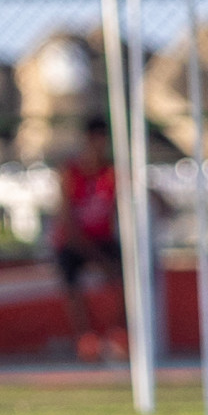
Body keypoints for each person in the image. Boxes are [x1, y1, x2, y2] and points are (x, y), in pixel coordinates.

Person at [53, 117, 126, 363]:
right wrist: (95, 257)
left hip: (103, 240)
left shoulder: (113, 172)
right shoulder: (71, 172)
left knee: (126, 274)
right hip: (75, 243)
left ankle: (118, 335)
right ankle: (86, 339)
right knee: (70, 276)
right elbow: (67, 223)